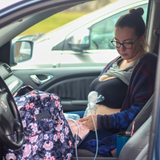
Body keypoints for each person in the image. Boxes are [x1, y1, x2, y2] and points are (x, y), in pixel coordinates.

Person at [73, 7, 158, 156]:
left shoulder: (147, 63)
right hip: (94, 121)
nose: (120, 48)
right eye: (117, 42)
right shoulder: (118, 60)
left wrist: (102, 121)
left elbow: (139, 115)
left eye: (127, 43)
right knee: (53, 121)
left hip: (112, 130)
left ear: (142, 39)